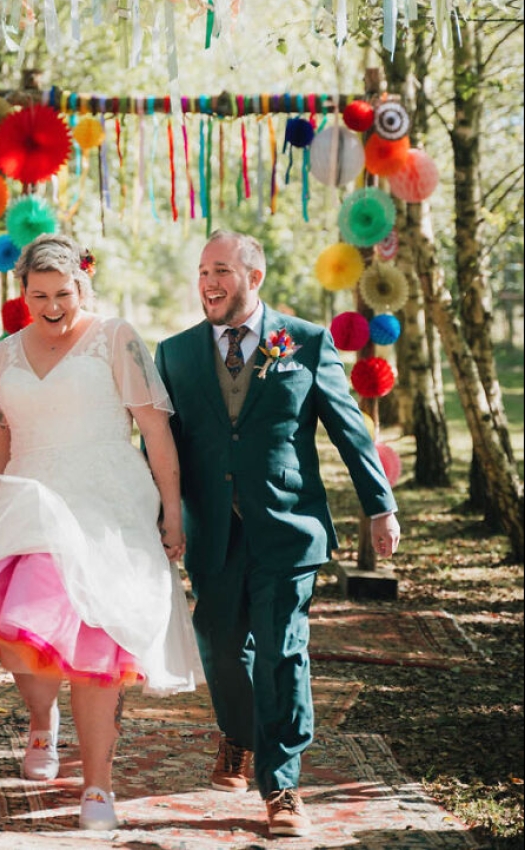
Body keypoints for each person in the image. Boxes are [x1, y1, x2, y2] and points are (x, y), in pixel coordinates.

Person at [0, 233, 201, 832]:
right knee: (24, 630)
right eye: (38, 295)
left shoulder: (116, 339)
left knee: (97, 644)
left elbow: (155, 432)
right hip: (27, 502)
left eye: (64, 293)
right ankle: (41, 723)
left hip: (106, 504)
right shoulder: (2, 354)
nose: (52, 306)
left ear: (83, 284)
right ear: (21, 292)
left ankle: (97, 786)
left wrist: (172, 514)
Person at [154, 230, 401, 839]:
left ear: (253, 277)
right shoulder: (175, 354)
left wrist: (380, 506)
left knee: (281, 646)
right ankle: (237, 736)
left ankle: (282, 782)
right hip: (210, 525)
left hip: (287, 525)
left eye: (220, 270)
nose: (208, 282)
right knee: (218, 640)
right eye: (202, 271)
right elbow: (162, 447)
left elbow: (349, 430)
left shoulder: (306, 342)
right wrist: (161, 514)